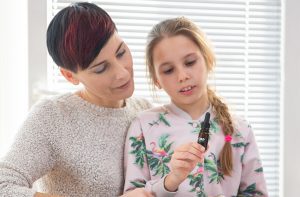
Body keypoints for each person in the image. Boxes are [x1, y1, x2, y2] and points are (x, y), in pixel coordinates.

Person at [0, 2, 154, 197]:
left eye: (121, 52)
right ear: (70, 76)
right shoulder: (53, 117)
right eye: (101, 68)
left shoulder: (145, 110)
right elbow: (4, 185)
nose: (122, 73)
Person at [123, 17, 268, 197]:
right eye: (168, 70)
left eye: (190, 62)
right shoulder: (142, 126)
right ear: (156, 80)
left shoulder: (240, 130)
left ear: (208, 59)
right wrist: (170, 181)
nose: (182, 76)